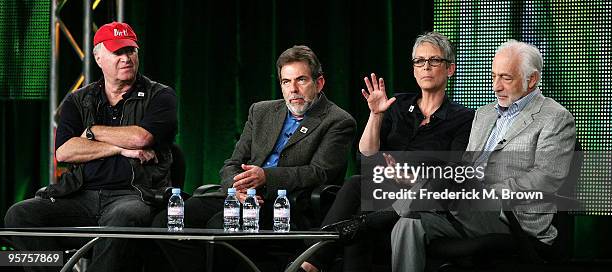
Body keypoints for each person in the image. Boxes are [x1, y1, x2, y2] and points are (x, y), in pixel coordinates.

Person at [152, 45, 356, 271]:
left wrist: (265, 178)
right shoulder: (261, 112)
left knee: (220, 224)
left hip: (286, 204)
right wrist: (236, 187)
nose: (293, 89)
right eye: (286, 82)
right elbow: (232, 163)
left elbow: (320, 172)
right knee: (165, 221)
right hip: (240, 197)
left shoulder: (337, 120)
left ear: (319, 83)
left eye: (301, 80)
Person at [4, 21, 177, 272]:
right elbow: (64, 151)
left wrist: (92, 132)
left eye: (131, 50)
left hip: (134, 195)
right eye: (117, 52)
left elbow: (141, 139)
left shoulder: (160, 96)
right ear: (98, 58)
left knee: (122, 218)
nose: (126, 58)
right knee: (19, 214)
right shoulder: (79, 99)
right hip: (81, 195)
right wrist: (119, 148)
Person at [390, 40, 577, 271]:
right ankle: (399, 211)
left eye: (506, 78)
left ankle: (378, 218)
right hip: (468, 208)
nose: (496, 87)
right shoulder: (484, 114)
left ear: (532, 80)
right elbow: (467, 167)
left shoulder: (555, 118)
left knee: (447, 178)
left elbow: (546, 178)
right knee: (409, 224)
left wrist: (486, 191)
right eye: (493, 76)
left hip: (512, 219)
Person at [302, 32, 475, 272]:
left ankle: (311, 262)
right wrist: (376, 115)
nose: (426, 67)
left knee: (360, 194)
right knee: (358, 189)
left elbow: (452, 176)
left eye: (434, 61)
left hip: (422, 199)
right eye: (419, 61)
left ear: (450, 69)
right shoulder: (398, 105)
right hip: (383, 189)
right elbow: (366, 158)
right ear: (414, 69)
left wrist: (412, 179)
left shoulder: (464, 118)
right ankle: (313, 262)